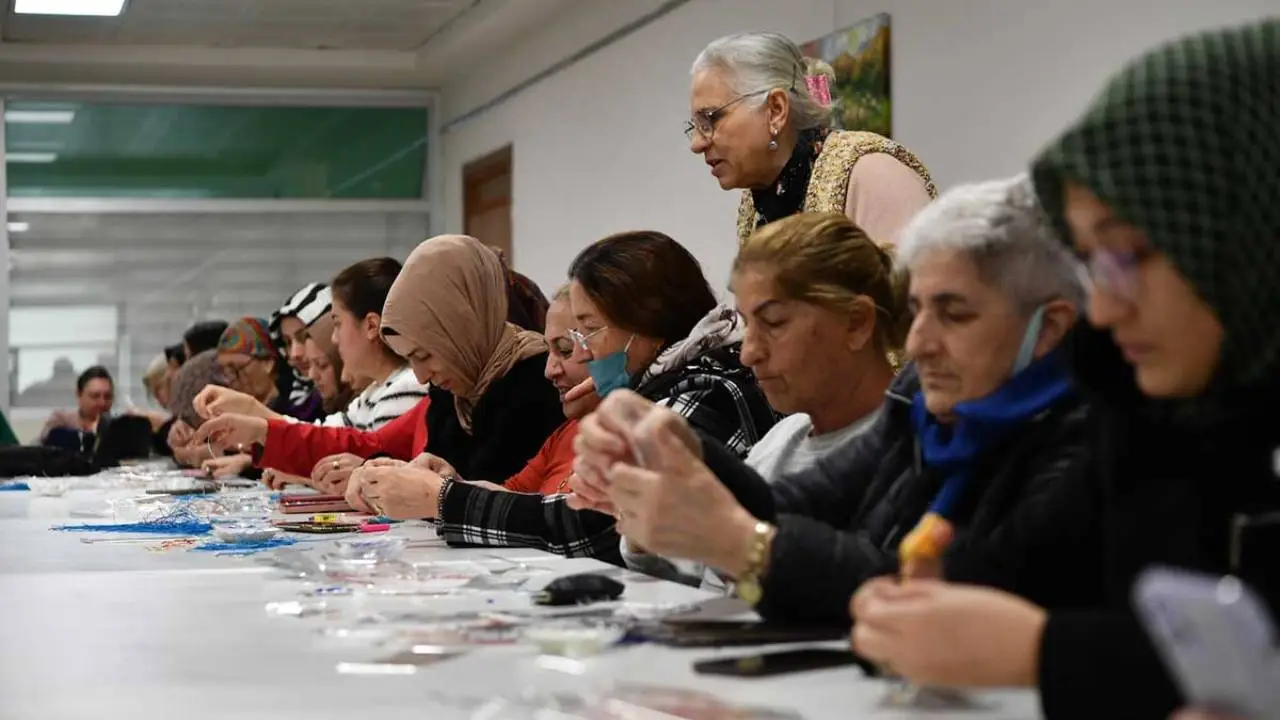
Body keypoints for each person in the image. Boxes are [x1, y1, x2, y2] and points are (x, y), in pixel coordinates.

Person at [849, 20, 1280, 720]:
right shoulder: (1145, 404)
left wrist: (1043, 653)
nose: (1103, 309)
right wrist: (914, 608)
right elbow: (1021, 569)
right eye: (1089, 262)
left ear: (1246, 224)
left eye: (1127, 254)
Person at [572, 176, 1090, 623]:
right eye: (917, 311)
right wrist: (682, 449)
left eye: (954, 314)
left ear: (1049, 329)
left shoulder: (1087, 440)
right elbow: (794, 504)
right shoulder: (917, 403)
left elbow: (937, 598)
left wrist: (747, 546)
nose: (917, 343)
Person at [349, 231, 779, 559]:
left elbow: (594, 527)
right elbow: (545, 502)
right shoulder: (646, 397)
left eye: (588, 331)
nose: (582, 354)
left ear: (648, 321)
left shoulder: (707, 390)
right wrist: (451, 486)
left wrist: (442, 499)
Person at [616, 211, 908, 587]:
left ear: (856, 323)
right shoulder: (781, 439)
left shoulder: (917, 452)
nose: (748, 353)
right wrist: (645, 530)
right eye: (747, 325)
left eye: (773, 323)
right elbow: (713, 587)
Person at [196, 235, 565, 492]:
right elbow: (369, 445)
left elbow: (518, 501)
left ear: (462, 328)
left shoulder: (536, 385)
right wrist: (259, 425)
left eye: (425, 355)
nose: (421, 374)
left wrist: (425, 490)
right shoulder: (455, 391)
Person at [688, 31, 935, 247]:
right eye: (695, 126)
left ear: (776, 110)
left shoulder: (872, 174)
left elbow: (915, 295)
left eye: (710, 119)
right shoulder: (757, 206)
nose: (696, 144)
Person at [266, 284, 328, 423]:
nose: (295, 354)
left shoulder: (350, 402)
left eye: (305, 337)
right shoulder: (285, 400)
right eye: (287, 342)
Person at [39, 366, 114, 448]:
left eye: (107, 396)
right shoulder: (62, 421)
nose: (102, 402)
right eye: (95, 396)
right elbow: (36, 450)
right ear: (79, 394)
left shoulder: (115, 427)